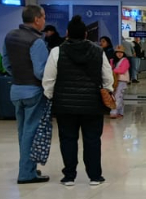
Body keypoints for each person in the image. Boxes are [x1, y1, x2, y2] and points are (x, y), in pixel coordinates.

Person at [43, 17, 113, 187]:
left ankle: (69, 176)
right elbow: (108, 77)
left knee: (68, 139)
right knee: (92, 140)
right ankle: (95, 176)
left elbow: (49, 79)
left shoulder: (56, 52)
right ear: (86, 34)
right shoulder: (98, 51)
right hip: (93, 105)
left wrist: (51, 96)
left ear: (67, 33)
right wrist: (107, 91)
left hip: (65, 105)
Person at [2, 4, 50, 185]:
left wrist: (17, 75)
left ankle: (27, 168)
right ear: (37, 19)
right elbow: (40, 71)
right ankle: (26, 173)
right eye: (43, 17)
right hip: (34, 91)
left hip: (16, 90)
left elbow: (5, 62)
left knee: (22, 132)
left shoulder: (10, 36)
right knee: (31, 132)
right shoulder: (36, 41)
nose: (45, 20)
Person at [110, 45, 131, 117]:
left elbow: (122, 70)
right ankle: (120, 112)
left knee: (117, 96)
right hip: (114, 81)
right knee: (119, 97)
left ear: (123, 53)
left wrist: (113, 71)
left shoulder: (125, 61)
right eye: (118, 52)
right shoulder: (113, 61)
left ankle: (114, 112)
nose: (119, 54)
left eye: (121, 52)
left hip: (122, 81)